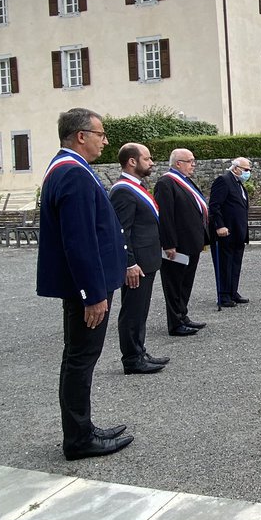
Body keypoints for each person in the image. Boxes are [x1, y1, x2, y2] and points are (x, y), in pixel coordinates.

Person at [36, 107, 133, 460]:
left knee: (79, 358)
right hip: (87, 289)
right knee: (80, 359)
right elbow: (79, 241)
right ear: (81, 136)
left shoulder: (69, 168)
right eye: (100, 134)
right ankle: (78, 439)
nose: (105, 141)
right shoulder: (72, 173)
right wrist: (93, 294)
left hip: (87, 284)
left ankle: (83, 427)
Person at [109, 143, 169, 375]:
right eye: (147, 158)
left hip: (147, 259)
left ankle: (139, 350)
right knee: (133, 310)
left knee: (140, 308)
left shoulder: (137, 187)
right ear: (132, 162)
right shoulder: (123, 190)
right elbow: (122, 231)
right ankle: (132, 358)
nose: (152, 162)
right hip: (137, 264)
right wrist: (129, 263)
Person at [154, 148, 208, 336]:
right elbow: (166, 216)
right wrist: (169, 244)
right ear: (178, 163)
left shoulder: (185, 181)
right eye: (190, 161)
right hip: (177, 245)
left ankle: (183, 315)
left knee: (185, 283)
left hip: (191, 242)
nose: (193, 164)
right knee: (174, 284)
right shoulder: (166, 182)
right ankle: (175, 323)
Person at [209, 157, 252, 307]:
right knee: (224, 263)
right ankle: (223, 295)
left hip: (238, 232)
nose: (248, 173)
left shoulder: (239, 184)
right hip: (225, 232)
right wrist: (219, 225)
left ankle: (233, 291)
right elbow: (214, 206)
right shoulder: (223, 180)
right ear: (235, 168)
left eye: (249, 170)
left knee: (235, 263)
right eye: (246, 170)